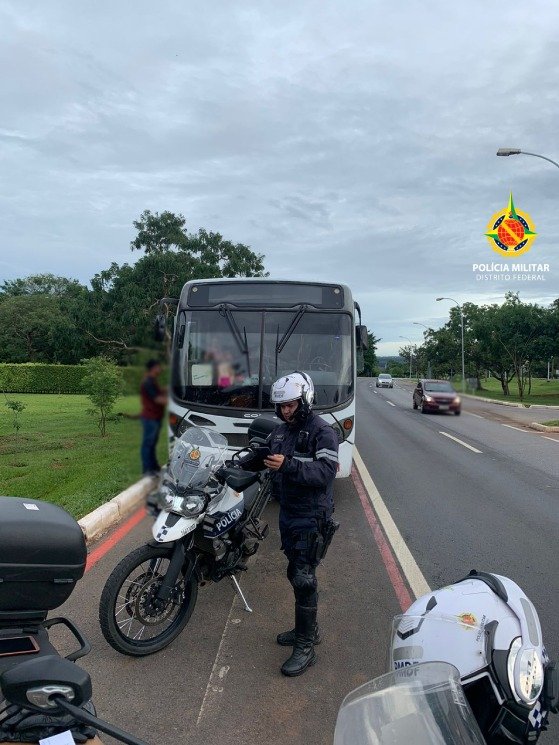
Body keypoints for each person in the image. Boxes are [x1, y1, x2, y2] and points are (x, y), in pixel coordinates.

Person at [264, 371, 339, 677]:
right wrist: (233, 464)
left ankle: (306, 646)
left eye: (291, 405)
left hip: (312, 514)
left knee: (304, 576)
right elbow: (263, 455)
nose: (286, 410)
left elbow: (325, 472)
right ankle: (306, 629)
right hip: (289, 512)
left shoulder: (323, 432)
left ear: (305, 399)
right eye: (281, 406)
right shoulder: (282, 432)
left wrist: (289, 465)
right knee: (295, 570)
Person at [140, 359, 168, 476]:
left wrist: (167, 389)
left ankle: (154, 467)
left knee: (152, 443)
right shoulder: (148, 382)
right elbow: (157, 399)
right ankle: (147, 470)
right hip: (150, 417)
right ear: (153, 368)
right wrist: (175, 402)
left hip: (155, 417)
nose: (160, 369)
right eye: (158, 367)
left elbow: (158, 392)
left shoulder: (152, 380)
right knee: (148, 443)